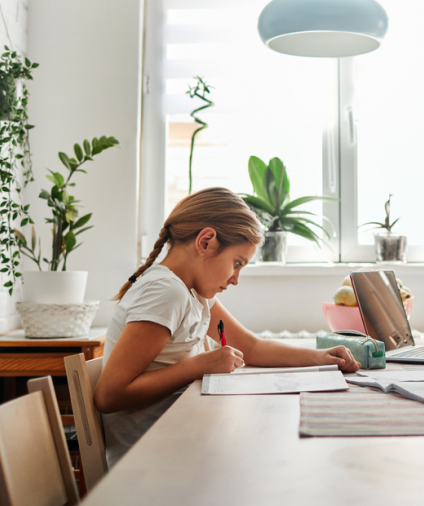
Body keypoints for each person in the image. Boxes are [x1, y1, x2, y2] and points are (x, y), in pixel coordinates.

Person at [94, 187, 360, 465]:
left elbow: (252, 347)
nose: (235, 279)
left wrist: (320, 357)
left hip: (178, 439)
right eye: (236, 263)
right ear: (206, 241)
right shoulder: (165, 292)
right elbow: (109, 395)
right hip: (147, 460)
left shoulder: (194, 294)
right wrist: (198, 366)